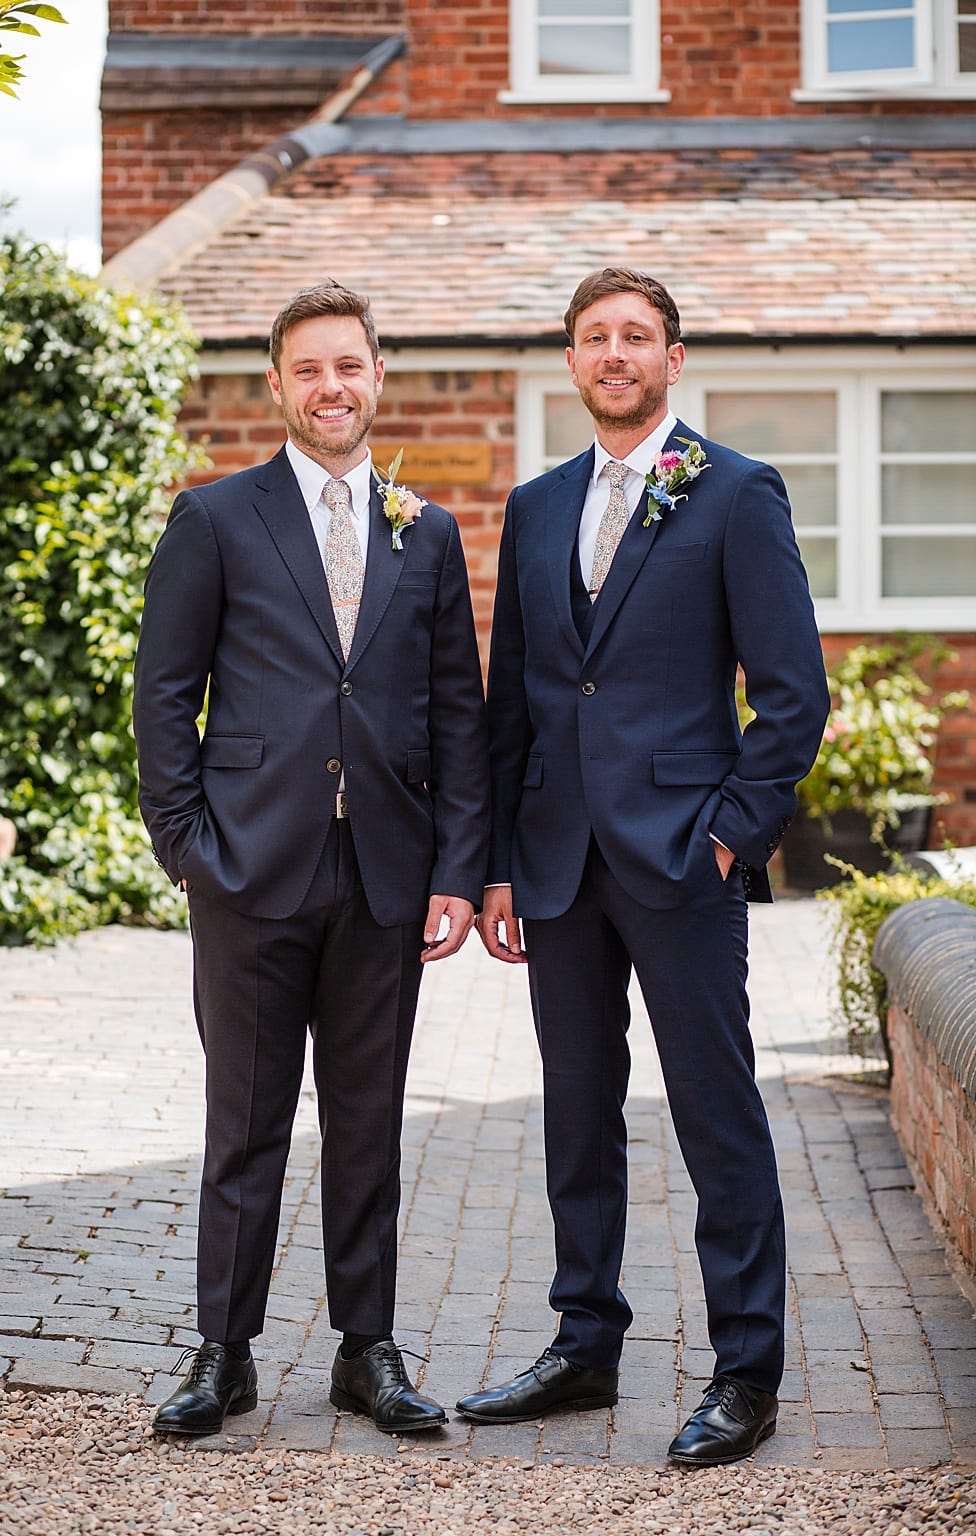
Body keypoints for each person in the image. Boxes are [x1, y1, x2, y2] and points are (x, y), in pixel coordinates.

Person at [456, 268, 829, 1466]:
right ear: (571, 360)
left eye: (635, 336)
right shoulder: (535, 505)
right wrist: (503, 863)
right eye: (592, 337)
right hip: (558, 866)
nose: (612, 353)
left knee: (716, 1118)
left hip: (683, 864)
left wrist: (728, 836)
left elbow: (790, 698)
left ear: (672, 359)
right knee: (577, 1116)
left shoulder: (734, 493)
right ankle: (584, 1345)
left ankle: (745, 1368)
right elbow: (513, 698)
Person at [133, 280, 489, 1438]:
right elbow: (163, 698)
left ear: (376, 377)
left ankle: (365, 1350)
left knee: (368, 1117)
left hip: (385, 875)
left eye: (349, 366)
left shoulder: (424, 532)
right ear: (278, 384)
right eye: (308, 370)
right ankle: (222, 1353)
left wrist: (452, 867)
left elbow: (455, 714)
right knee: (244, 1119)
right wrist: (187, 847)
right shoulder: (215, 520)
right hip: (248, 870)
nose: (330, 388)